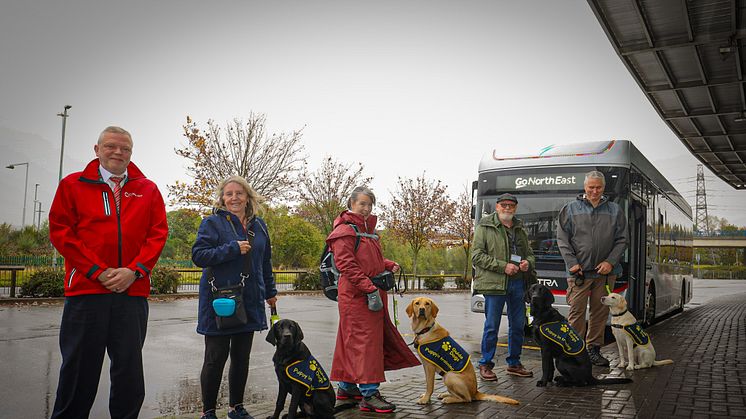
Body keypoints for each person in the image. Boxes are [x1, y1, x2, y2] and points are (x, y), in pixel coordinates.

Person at [48, 126, 168, 419]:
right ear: (97, 149)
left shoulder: (148, 189)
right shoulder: (73, 185)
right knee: (78, 373)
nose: (118, 152)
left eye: (125, 149)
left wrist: (134, 271)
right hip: (86, 294)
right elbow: (61, 232)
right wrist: (96, 271)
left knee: (129, 373)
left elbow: (158, 234)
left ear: (131, 153)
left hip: (132, 294)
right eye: (111, 146)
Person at [326, 186, 420, 414]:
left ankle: (347, 389)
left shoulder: (366, 231)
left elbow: (368, 259)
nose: (366, 208)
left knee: (353, 342)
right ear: (351, 204)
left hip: (368, 295)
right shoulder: (345, 231)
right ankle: (369, 394)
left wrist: (388, 264)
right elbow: (346, 265)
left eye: (369, 205)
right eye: (362, 204)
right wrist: (370, 289)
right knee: (365, 344)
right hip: (358, 296)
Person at [192, 176, 278, 419]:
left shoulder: (259, 226)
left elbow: (265, 262)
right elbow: (199, 256)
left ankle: (236, 408)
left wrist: (270, 292)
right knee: (214, 358)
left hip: (250, 299)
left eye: (239, 193)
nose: (234, 198)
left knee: (241, 357)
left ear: (248, 197)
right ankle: (208, 412)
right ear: (222, 198)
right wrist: (232, 249)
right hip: (219, 300)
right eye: (229, 194)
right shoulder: (211, 223)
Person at [556, 170, 628, 366]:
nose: (595, 191)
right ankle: (574, 350)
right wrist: (572, 264)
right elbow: (562, 240)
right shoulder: (570, 209)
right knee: (576, 312)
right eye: (591, 187)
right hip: (578, 273)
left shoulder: (615, 210)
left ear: (604, 188)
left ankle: (593, 350)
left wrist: (610, 262)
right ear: (585, 187)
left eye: (598, 188)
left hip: (605, 273)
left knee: (599, 312)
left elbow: (622, 240)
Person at [472, 193, 535, 380]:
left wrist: (527, 264)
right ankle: (485, 364)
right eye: (504, 205)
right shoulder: (484, 226)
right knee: (492, 326)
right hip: (494, 284)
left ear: (515, 208)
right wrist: (503, 266)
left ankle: (514, 363)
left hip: (518, 283)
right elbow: (476, 256)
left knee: (518, 326)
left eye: (511, 205)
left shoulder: (520, 228)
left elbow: (530, 254)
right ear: (497, 207)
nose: (507, 208)